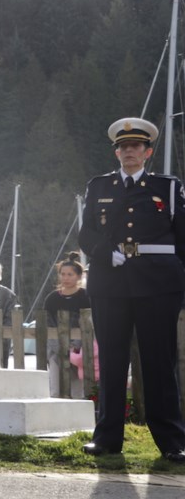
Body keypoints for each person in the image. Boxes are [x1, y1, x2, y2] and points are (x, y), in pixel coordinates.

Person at [78, 117, 185, 461]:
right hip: (110, 283)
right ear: (117, 153)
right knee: (111, 361)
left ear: (147, 152)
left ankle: (172, 441)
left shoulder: (167, 187)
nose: (129, 152)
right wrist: (103, 252)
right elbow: (86, 233)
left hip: (157, 284)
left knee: (159, 361)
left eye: (135, 147)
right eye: (123, 147)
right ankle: (107, 439)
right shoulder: (99, 187)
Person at [43, 252, 93, 398]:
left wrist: (76, 347)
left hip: (82, 352)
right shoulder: (52, 299)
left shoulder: (87, 297)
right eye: (63, 274)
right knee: (55, 390)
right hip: (56, 352)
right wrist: (59, 348)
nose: (65, 278)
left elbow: (90, 323)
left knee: (78, 391)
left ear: (78, 276)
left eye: (70, 274)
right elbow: (48, 325)